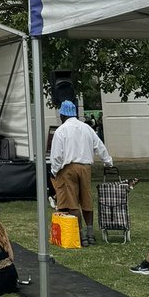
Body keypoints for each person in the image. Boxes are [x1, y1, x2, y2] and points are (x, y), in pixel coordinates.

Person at [49, 100, 113, 247]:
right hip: (85, 167)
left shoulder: (61, 130)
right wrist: (108, 162)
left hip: (68, 168)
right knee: (86, 200)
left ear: (62, 114)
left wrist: (54, 170)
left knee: (72, 202)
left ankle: (80, 234)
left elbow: (57, 155)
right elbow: (100, 146)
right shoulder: (87, 128)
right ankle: (90, 233)